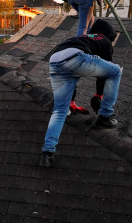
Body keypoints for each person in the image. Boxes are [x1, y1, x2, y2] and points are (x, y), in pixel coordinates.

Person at [40, 19, 121, 168]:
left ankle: (47, 153)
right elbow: (105, 73)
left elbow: (73, 74)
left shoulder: (81, 38)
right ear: (108, 35)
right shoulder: (104, 40)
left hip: (55, 60)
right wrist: (98, 95)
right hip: (75, 57)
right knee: (116, 71)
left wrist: (73, 100)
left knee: (60, 110)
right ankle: (105, 116)